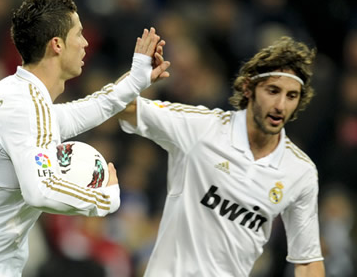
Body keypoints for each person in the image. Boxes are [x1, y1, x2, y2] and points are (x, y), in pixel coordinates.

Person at [0, 0, 170, 276]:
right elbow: (39, 190)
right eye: (78, 34)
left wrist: (136, 79)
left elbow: (81, 111)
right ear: (56, 44)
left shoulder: (9, 93)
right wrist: (103, 198)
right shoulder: (25, 105)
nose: (85, 44)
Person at [119, 36, 325, 276]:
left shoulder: (300, 171)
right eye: (273, 91)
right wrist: (137, 77)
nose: (281, 105)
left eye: (291, 96)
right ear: (248, 88)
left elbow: (308, 261)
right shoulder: (201, 128)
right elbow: (125, 107)